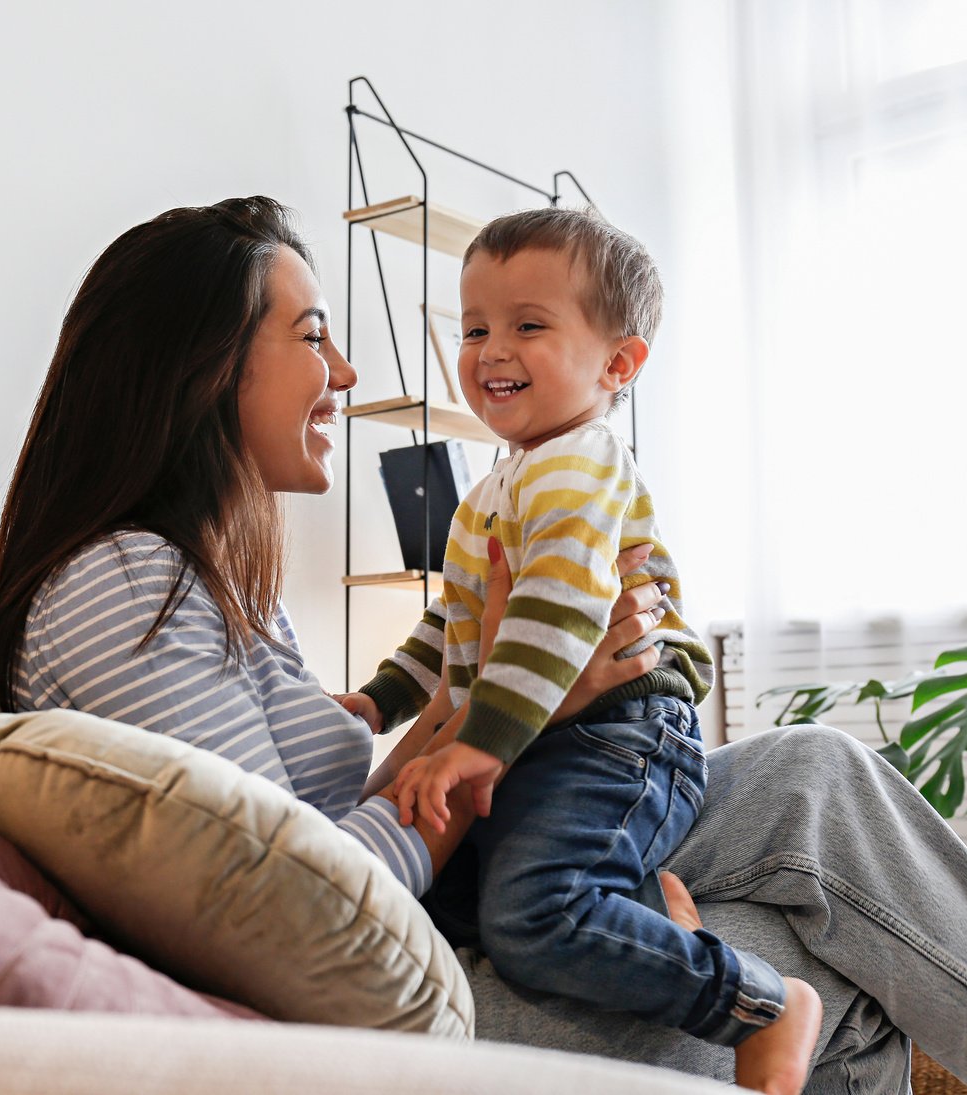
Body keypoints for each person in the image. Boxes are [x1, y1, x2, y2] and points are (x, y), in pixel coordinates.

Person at [0, 196, 967, 1095]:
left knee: (815, 774)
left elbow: (328, 805)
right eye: (313, 337)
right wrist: (527, 708)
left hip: (443, 896)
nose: (343, 372)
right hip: (375, 995)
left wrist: (484, 710)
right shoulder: (124, 587)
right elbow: (293, 906)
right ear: (200, 365)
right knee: (821, 963)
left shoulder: (221, 588)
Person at [341, 207, 818, 1094]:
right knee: (448, 912)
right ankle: (650, 918)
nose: (490, 349)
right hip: (548, 737)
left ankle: (759, 1001)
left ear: (618, 363)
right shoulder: (494, 487)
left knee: (532, 914)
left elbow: (557, 613)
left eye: (528, 325)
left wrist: (478, 745)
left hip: (620, 734)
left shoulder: (577, 464)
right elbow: (454, 628)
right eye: (475, 326)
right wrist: (377, 700)